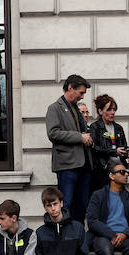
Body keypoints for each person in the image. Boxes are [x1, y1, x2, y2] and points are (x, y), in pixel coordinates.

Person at [45, 74, 93, 223]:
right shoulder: (54, 108)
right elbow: (53, 133)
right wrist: (80, 137)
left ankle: (77, 234)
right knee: (66, 205)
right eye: (81, 92)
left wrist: (88, 137)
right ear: (70, 88)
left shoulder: (75, 108)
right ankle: (65, 234)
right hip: (67, 166)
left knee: (82, 206)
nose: (82, 96)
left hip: (83, 165)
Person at [88, 94, 129, 192]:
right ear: (100, 111)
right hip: (102, 170)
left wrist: (128, 155)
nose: (112, 112)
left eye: (114, 109)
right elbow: (94, 149)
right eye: (109, 110)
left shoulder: (118, 128)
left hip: (118, 171)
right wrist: (114, 151)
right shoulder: (95, 127)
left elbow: (124, 146)